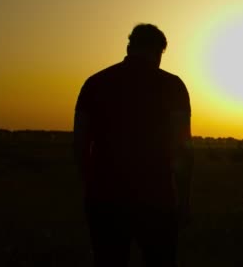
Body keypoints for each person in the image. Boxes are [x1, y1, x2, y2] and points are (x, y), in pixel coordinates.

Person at [73, 24, 193, 267]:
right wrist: (184, 199)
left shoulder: (94, 83)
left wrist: (90, 189)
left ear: (129, 48)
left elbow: (79, 143)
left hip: (105, 198)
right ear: (160, 52)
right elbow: (183, 147)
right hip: (157, 199)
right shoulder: (173, 86)